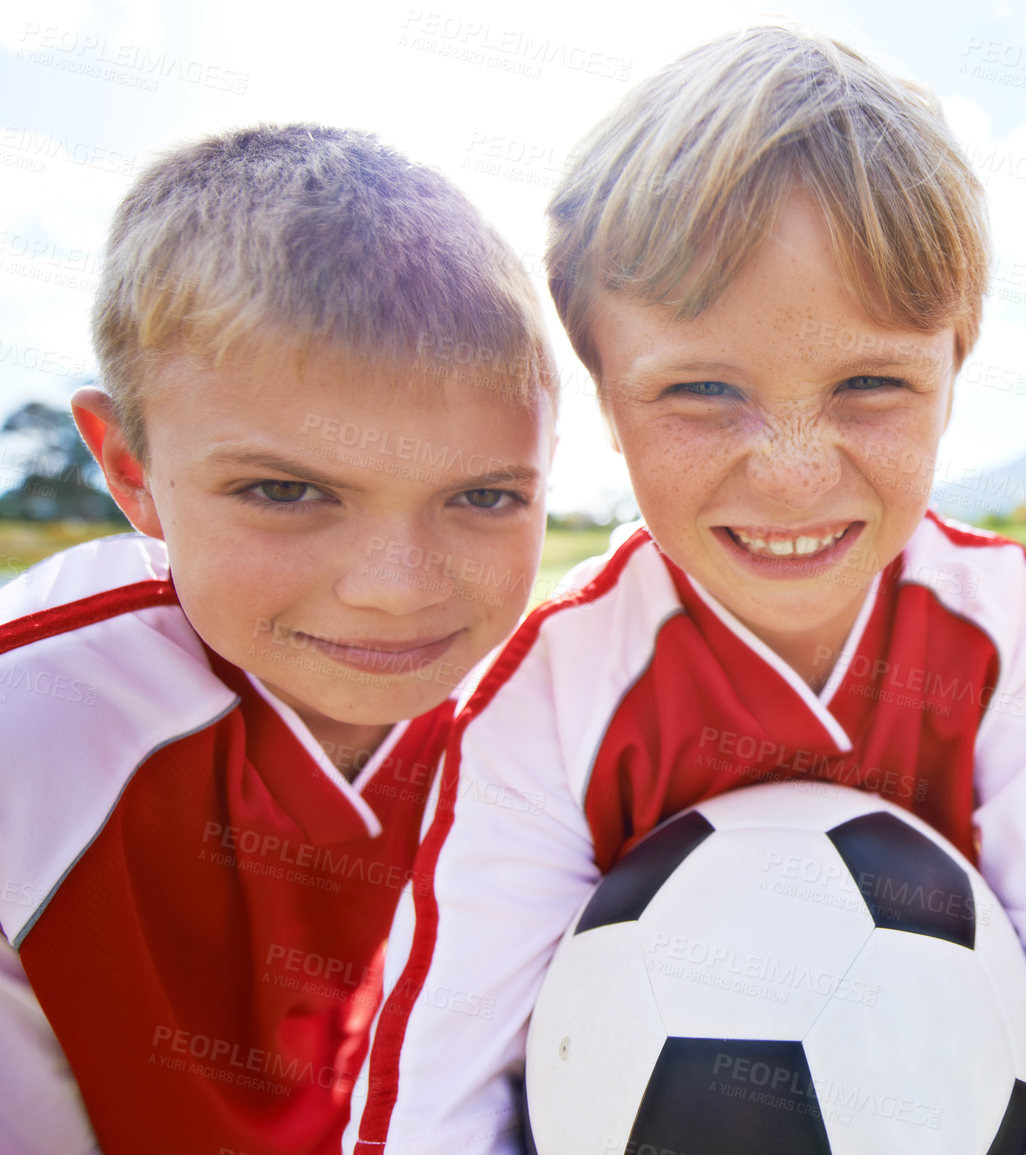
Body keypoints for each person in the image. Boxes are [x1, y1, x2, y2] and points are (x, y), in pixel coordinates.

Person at [348, 26, 1026, 1155]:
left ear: (956, 367)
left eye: (871, 384)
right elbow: (444, 1072)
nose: (791, 470)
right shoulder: (554, 685)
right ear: (600, 393)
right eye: (701, 390)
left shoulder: (996, 621)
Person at [0, 124, 558, 1155]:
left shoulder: (570, 719)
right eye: (285, 491)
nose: (396, 591)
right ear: (130, 471)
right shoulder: (30, 731)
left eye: (482, 496)